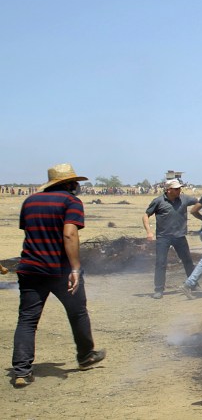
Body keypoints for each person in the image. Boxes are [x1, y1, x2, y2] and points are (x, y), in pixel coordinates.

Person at [12, 163, 106, 388]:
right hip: (60, 270)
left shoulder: (30, 201)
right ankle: (85, 356)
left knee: (27, 320)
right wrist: (75, 268)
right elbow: (69, 234)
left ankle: (22, 372)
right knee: (78, 312)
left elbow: (30, 232)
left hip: (30, 268)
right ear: (70, 184)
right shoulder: (71, 202)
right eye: (76, 183)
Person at [143, 179, 198, 299]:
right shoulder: (158, 201)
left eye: (179, 188)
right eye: (176, 189)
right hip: (163, 237)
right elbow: (146, 215)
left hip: (180, 236)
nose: (179, 190)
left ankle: (194, 284)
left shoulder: (184, 199)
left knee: (187, 260)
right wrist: (149, 232)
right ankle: (158, 289)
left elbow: (199, 202)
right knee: (161, 263)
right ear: (169, 190)